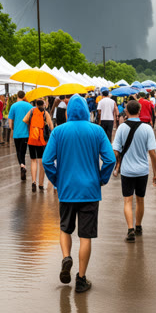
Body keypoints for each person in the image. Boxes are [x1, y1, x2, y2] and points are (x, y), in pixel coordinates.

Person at [43, 95, 116, 293]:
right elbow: (110, 160)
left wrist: (57, 180)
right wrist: (101, 179)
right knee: (85, 236)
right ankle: (81, 279)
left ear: (68, 112)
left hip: (67, 191)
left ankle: (66, 257)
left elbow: (47, 161)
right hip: (90, 192)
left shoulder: (58, 132)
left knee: (65, 229)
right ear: (86, 111)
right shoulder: (97, 131)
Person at [112, 100, 156, 243]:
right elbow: (152, 153)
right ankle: (139, 226)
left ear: (126, 111)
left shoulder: (121, 128)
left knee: (127, 201)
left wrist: (116, 165)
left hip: (127, 171)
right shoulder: (147, 129)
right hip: (142, 171)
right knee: (140, 199)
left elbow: (115, 151)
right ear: (139, 111)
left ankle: (130, 229)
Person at [23, 99, 53, 192]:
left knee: (33, 161)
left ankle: (33, 182)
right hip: (41, 141)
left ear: (36, 104)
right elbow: (51, 126)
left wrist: (32, 125)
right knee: (41, 161)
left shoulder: (31, 111)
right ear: (44, 104)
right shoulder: (45, 113)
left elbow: (25, 120)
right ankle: (40, 184)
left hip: (32, 139)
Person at [8, 91, 33, 181]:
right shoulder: (29, 106)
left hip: (17, 133)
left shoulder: (13, 106)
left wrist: (12, 128)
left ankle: (22, 165)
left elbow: (10, 121)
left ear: (17, 96)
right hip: (26, 133)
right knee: (23, 150)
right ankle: (23, 165)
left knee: (18, 151)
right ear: (24, 96)